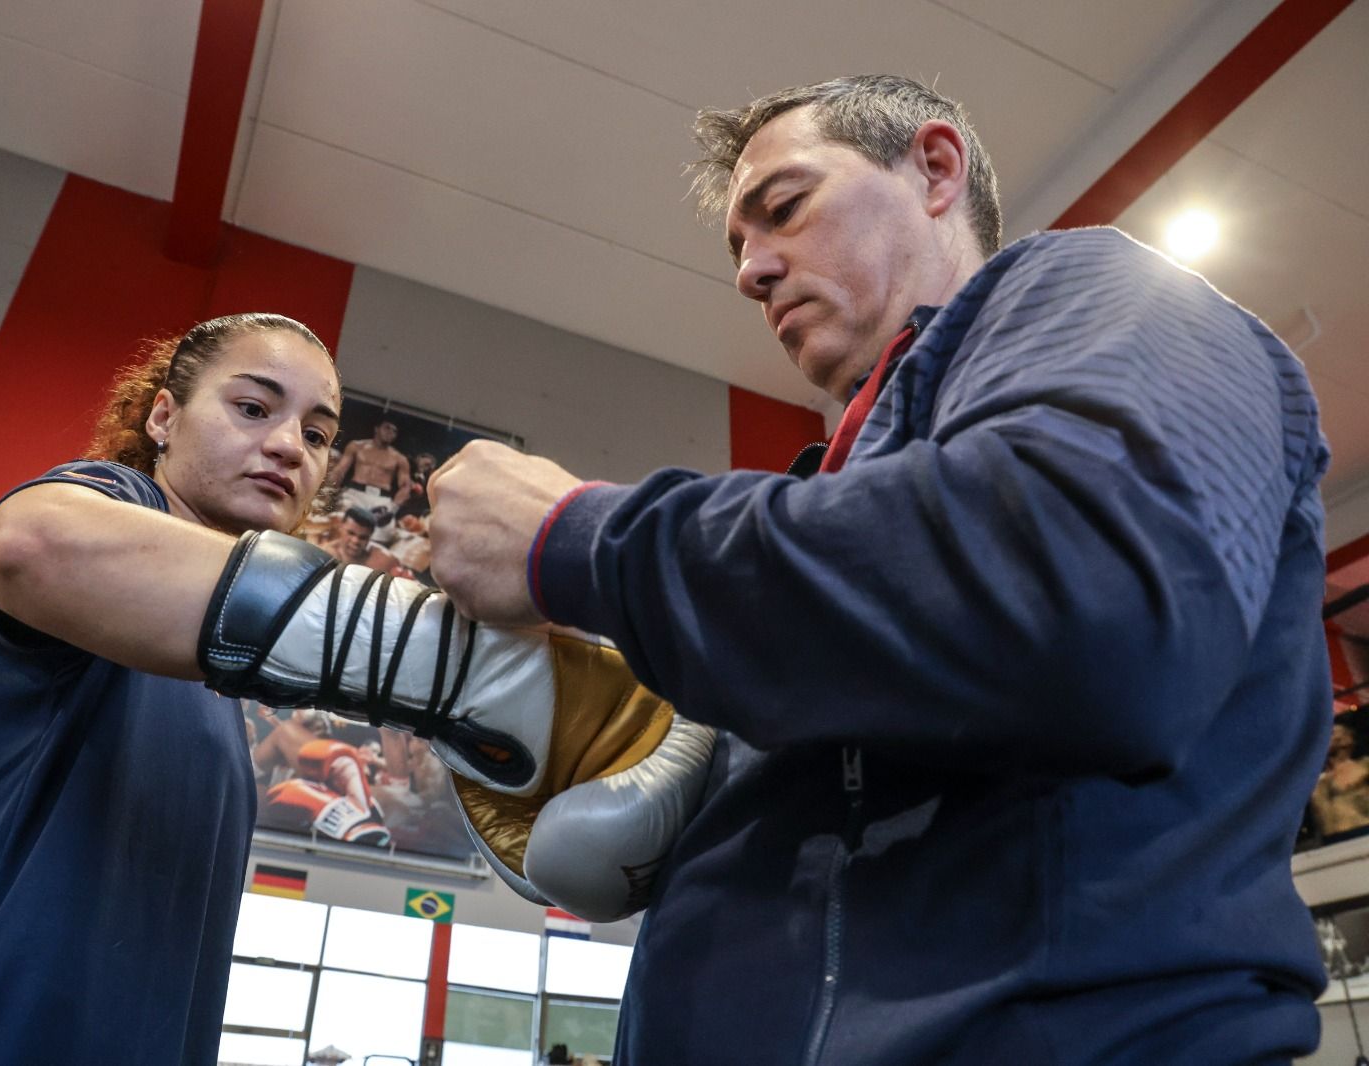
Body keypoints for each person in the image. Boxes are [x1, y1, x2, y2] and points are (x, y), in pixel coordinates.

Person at [424, 75, 1334, 1063]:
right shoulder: (833, 509)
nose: (750, 271)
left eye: (783, 208)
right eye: (737, 246)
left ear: (935, 168)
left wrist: (582, 537)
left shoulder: (1108, 294)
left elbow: (1083, 604)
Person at [0, 313, 342, 1064]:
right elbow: (28, 541)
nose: (287, 445)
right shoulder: (114, 502)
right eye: (252, 408)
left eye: (318, 434)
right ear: (163, 415)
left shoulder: (206, 666)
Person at [330, 416, 411, 521]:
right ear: (377, 429)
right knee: (342, 525)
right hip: (354, 495)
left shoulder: (400, 459)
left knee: (378, 534)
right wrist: (330, 492)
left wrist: (393, 507)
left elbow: (405, 486)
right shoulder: (356, 446)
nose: (390, 432)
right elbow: (340, 470)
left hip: (381, 500)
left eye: (394, 431)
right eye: (387, 428)